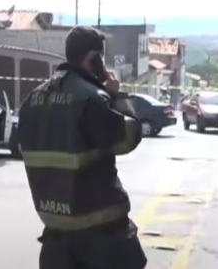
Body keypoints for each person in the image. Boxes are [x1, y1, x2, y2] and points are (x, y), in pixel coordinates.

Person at [16, 26, 147, 269]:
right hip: (102, 237)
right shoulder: (91, 99)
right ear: (94, 58)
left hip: (55, 236)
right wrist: (118, 98)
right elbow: (128, 138)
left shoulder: (30, 101)